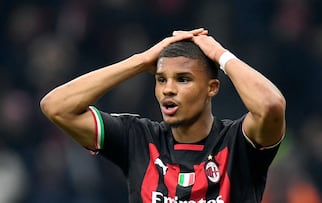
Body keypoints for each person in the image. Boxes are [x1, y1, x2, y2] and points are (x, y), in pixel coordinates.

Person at [40, 28, 286, 203]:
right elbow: (56, 107)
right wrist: (140, 60)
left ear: (212, 88)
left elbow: (271, 106)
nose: (168, 89)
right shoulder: (138, 138)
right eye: (161, 79)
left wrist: (221, 56)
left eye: (183, 79)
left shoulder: (238, 144)